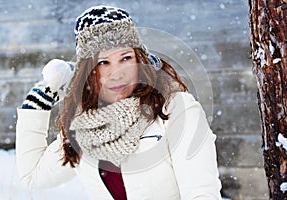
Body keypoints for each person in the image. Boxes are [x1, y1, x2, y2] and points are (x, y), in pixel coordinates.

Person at [16, 5, 222, 200]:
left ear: (140, 59)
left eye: (125, 58)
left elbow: (201, 194)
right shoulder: (83, 126)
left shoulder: (176, 109)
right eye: (103, 62)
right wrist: (42, 95)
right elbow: (32, 175)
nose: (117, 74)